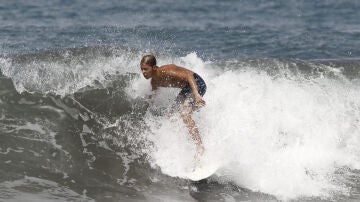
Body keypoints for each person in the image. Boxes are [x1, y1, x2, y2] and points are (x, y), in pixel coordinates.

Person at [140, 54, 206, 156]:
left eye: (145, 69)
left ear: (153, 67)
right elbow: (153, 96)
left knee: (185, 114)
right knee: (170, 115)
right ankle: (177, 144)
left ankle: (200, 147)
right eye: (142, 69)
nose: (143, 72)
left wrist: (196, 94)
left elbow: (189, 75)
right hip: (186, 90)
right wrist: (146, 108)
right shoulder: (154, 82)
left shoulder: (165, 71)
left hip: (196, 84)